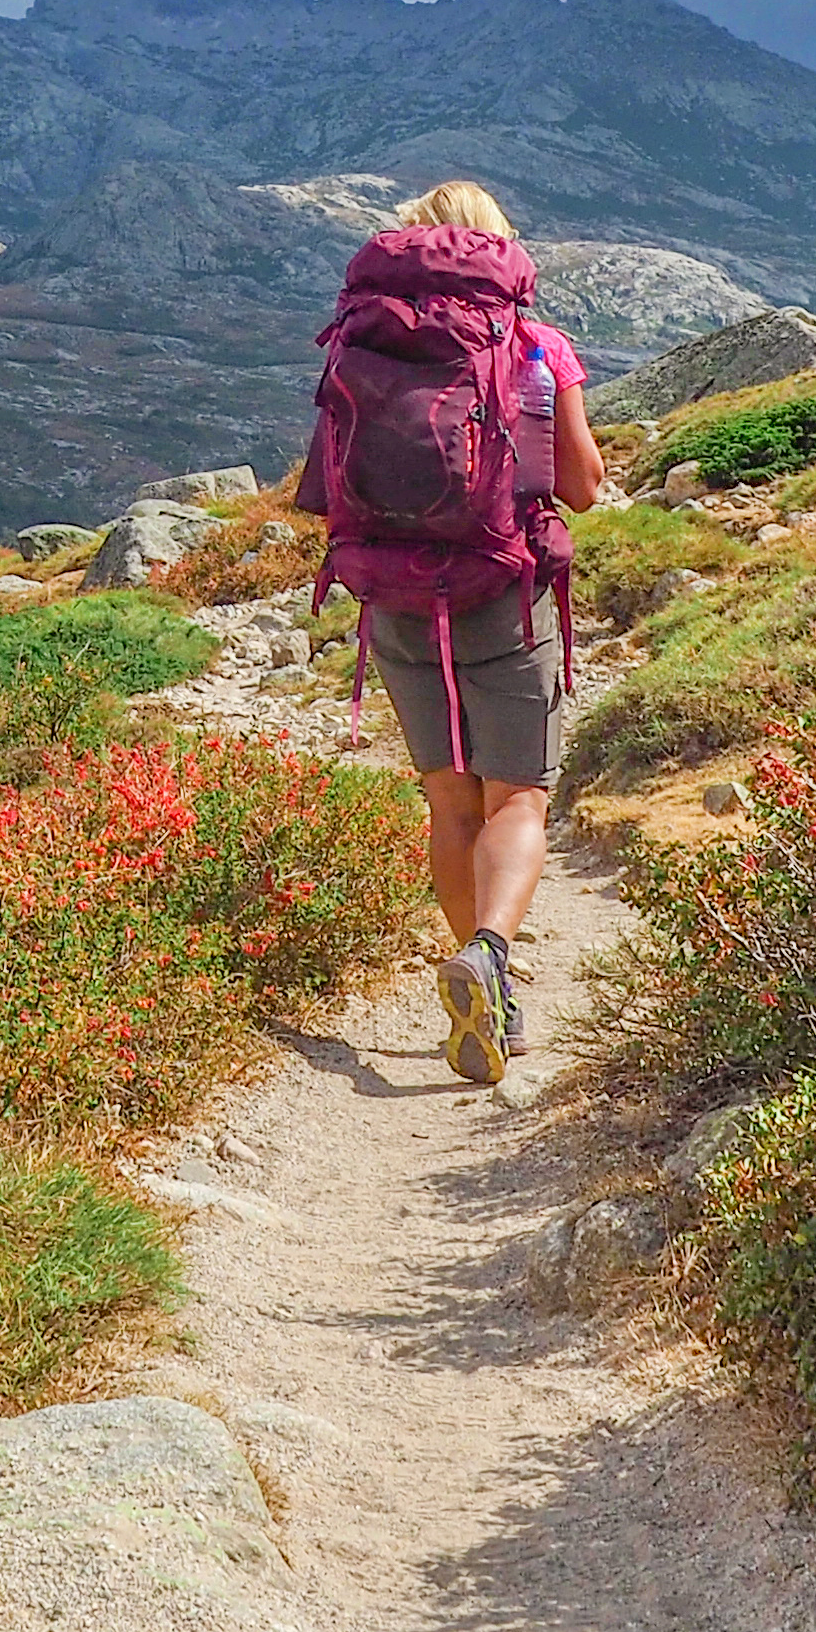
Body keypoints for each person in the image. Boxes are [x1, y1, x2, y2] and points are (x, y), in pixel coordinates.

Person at [284, 178, 604, 1086]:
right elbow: (581, 486)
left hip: (392, 598)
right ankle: (493, 958)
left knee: (450, 802)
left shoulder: (363, 340)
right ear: (499, 248)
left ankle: (480, 973)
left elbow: (323, 482)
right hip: (503, 592)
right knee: (518, 799)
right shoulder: (539, 348)